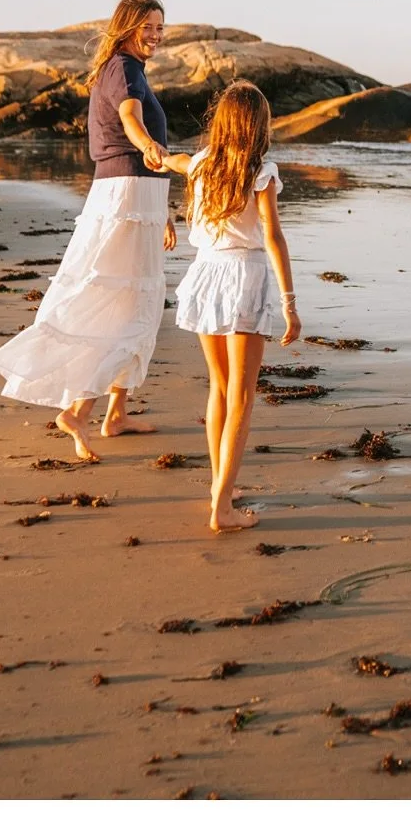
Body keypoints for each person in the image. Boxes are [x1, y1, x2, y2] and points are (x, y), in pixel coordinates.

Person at [0, 0, 176, 461]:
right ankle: (80, 410)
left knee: (136, 300)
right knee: (122, 304)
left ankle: (116, 413)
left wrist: (166, 209)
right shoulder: (124, 69)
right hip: (127, 192)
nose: (155, 35)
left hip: (139, 193)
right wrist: (149, 145)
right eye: (148, 26)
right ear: (128, 26)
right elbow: (130, 120)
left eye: (160, 27)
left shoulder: (127, 67)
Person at [153, 81, 301, 532]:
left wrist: (151, 151)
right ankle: (221, 508)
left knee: (219, 388)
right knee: (241, 395)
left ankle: (222, 485)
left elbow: (171, 159)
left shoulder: (201, 165)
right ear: (258, 125)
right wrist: (291, 303)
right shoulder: (261, 170)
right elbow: (273, 236)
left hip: (205, 275)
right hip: (244, 277)